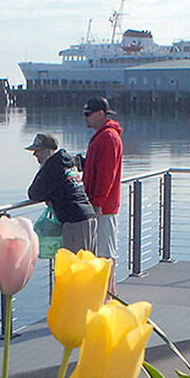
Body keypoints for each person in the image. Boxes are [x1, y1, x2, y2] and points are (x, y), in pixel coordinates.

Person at [25, 132, 96, 252]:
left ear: (47, 151)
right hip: (88, 217)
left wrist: (42, 169)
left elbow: (34, 193)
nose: (35, 154)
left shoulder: (52, 166)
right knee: (87, 263)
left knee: (75, 265)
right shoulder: (66, 163)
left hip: (74, 221)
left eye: (38, 151)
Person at [80, 96, 123, 287]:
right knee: (101, 253)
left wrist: (97, 202)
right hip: (100, 205)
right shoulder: (104, 136)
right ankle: (105, 295)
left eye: (88, 114)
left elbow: (107, 174)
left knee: (105, 255)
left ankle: (107, 296)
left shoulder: (108, 137)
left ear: (100, 113)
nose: (85, 117)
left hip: (103, 208)